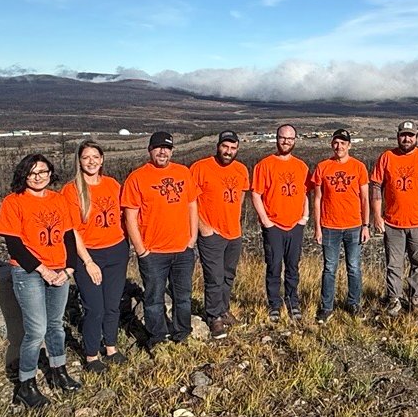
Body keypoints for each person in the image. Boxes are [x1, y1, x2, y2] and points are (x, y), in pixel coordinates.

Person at [0, 153, 81, 407]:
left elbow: (68, 236)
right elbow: (14, 246)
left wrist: (69, 269)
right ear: (24, 175)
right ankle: (26, 385)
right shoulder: (13, 202)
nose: (39, 177)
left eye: (43, 172)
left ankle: (59, 372)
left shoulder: (58, 200)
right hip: (29, 272)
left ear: (50, 173)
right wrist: (44, 271)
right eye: (33, 173)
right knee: (36, 331)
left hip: (60, 270)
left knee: (55, 325)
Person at [122, 132, 199, 348]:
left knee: (182, 296)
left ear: (172, 151)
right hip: (153, 252)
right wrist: (141, 250)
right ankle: (158, 336)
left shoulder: (183, 173)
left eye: (166, 148)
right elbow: (130, 216)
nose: (162, 152)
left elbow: (192, 204)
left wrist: (192, 238)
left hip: (182, 249)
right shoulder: (137, 178)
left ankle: (182, 332)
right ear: (150, 150)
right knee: (154, 298)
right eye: (157, 148)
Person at [61, 140, 130, 373]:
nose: (91, 161)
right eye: (85, 157)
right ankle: (91, 355)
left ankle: (110, 347)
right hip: (88, 255)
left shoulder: (112, 185)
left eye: (95, 157)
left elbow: (125, 216)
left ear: (102, 159)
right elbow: (72, 231)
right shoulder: (71, 190)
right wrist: (88, 261)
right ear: (79, 161)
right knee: (94, 308)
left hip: (117, 250)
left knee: (112, 305)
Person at [370, 120, 418, 316]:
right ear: (397, 136)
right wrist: (377, 216)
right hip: (393, 223)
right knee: (393, 264)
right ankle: (394, 299)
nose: (406, 138)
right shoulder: (387, 157)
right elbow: (375, 187)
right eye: (403, 135)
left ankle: (416, 299)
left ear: (417, 137)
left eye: (410, 135)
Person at [190, 131, 250, 339]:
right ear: (218, 146)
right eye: (225, 147)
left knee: (228, 274)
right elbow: (190, 201)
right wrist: (203, 227)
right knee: (214, 276)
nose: (228, 152)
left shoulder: (241, 169)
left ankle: (223, 310)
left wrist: (235, 218)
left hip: (233, 231)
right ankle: (213, 316)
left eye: (233, 148)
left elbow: (242, 192)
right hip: (211, 233)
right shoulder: (200, 168)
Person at [251, 124, 310, 323]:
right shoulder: (264, 165)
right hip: (274, 225)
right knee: (274, 266)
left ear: (295, 140)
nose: (286, 141)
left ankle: (293, 302)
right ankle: (274, 305)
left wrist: (305, 217)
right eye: (283, 138)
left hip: (295, 225)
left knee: (293, 266)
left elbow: (304, 193)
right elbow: (256, 194)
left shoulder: (301, 166)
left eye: (290, 138)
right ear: (277, 138)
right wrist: (266, 221)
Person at [311, 129, 370, 322]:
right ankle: (326, 307)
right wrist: (317, 227)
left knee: (354, 267)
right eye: (336, 143)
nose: (339, 146)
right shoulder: (322, 167)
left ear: (349, 145)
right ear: (331, 145)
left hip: (354, 225)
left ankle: (354, 304)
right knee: (329, 268)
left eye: (343, 143)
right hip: (329, 226)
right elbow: (317, 199)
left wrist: (365, 225)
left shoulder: (359, 167)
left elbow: (365, 199)